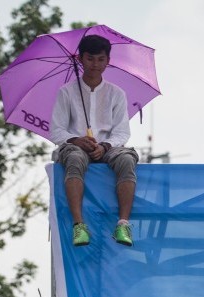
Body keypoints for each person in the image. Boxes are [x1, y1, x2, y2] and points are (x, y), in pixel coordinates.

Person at [50, 34, 139, 247]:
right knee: (73, 158)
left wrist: (104, 146)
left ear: (108, 61)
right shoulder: (66, 92)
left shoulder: (116, 94)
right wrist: (76, 140)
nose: (95, 64)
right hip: (76, 147)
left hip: (108, 148)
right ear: (81, 59)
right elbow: (56, 130)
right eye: (90, 58)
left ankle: (123, 224)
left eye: (100, 59)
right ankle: (79, 225)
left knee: (127, 159)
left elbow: (122, 132)